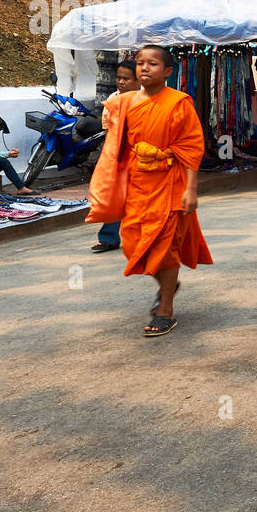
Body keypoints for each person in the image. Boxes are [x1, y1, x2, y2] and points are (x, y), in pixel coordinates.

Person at [87, 46, 211, 338]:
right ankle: (168, 284)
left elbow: (192, 148)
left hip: (171, 181)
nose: (144, 68)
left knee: (165, 247)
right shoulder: (125, 103)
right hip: (138, 183)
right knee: (132, 244)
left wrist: (191, 190)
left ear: (168, 72)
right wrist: (110, 184)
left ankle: (165, 309)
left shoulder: (179, 102)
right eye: (141, 63)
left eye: (152, 64)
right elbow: (117, 147)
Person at [90, 59, 138, 254]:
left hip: (140, 155)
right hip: (116, 154)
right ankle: (108, 239)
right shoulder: (113, 98)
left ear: (138, 80)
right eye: (118, 77)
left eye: (126, 78)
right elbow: (107, 129)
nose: (121, 82)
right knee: (112, 197)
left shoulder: (146, 99)